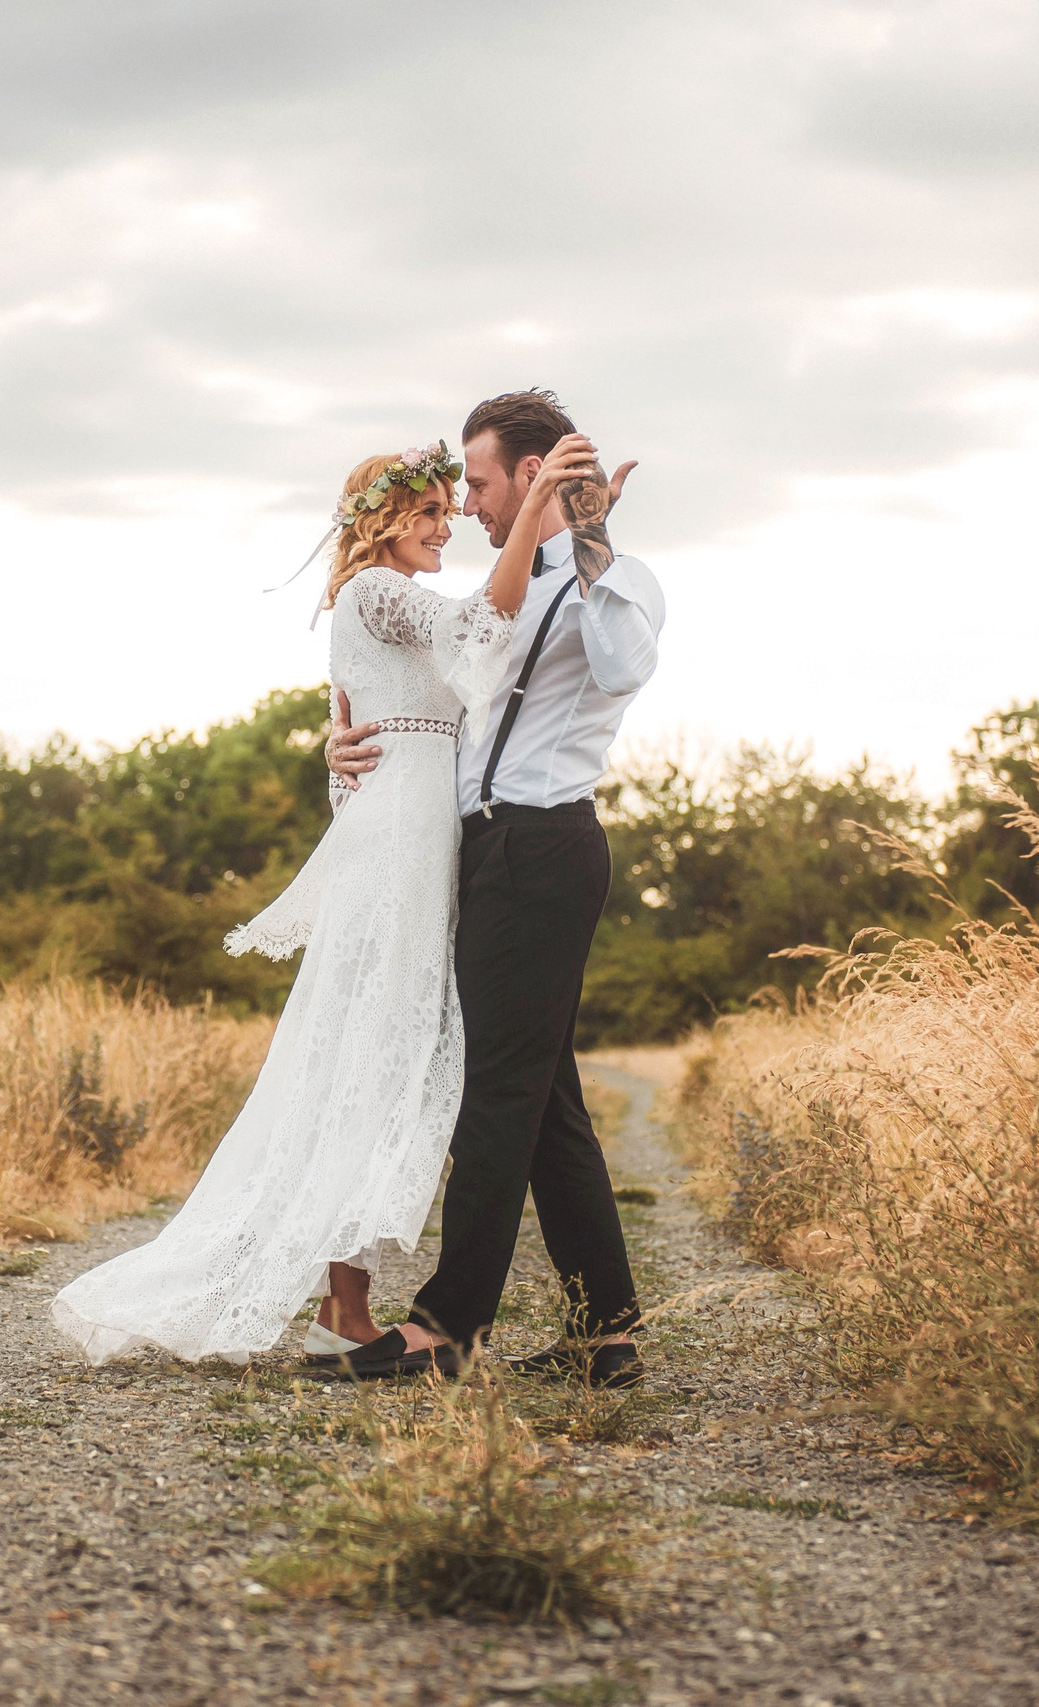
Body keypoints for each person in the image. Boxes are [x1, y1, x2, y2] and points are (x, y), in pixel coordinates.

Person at [47, 435, 600, 1363]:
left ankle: (347, 1308)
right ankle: (344, 1306)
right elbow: (481, 627)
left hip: (427, 839)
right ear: (382, 520)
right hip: (406, 852)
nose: (447, 522)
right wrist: (539, 494)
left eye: (447, 506)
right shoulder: (374, 591)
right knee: (371, 1053)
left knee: (375, 1056)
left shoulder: (392, 601)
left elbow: (435, 697)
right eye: (427, 511)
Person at [323, 389, 662, 1389]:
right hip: (478, 851)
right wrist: (338, 743)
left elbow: (619, 665)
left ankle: (446, 1327)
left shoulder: (618, 580)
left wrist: (592, 538)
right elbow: (431, 691)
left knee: (497, 1091)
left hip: (541, 844)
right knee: (547, 1098)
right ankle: (607, 1330)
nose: (465, 504)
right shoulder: (502, 591)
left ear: (532, 476)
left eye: (476, 483)